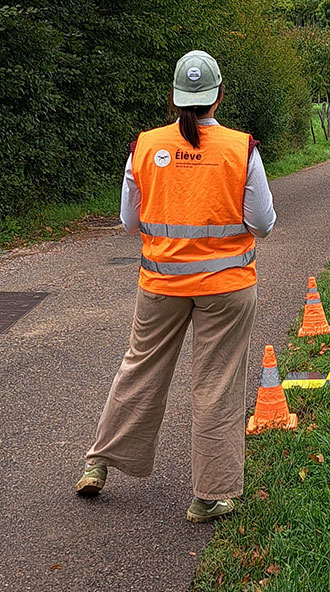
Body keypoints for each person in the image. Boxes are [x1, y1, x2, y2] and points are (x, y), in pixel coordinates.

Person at [75, 50, 276, 522]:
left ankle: (98, 463)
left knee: (138, 370)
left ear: (174, 98)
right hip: (227, 289)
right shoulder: (240, 148)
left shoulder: (144, 146)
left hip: (160, 285)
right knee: (217, 385)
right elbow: (262, 224)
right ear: (219, 95)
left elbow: (129, 221)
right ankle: (210, 495)